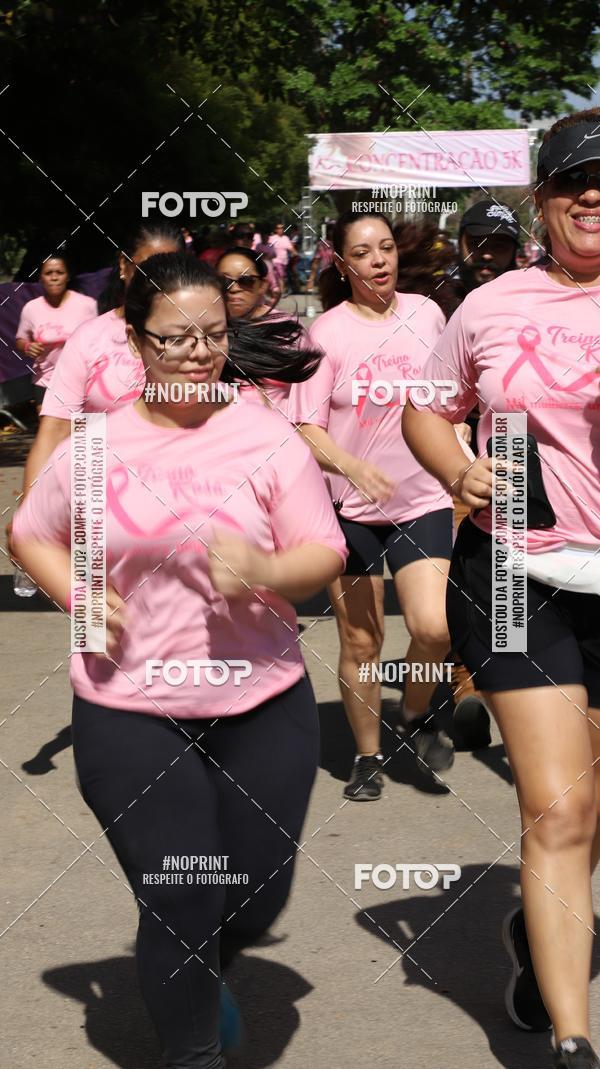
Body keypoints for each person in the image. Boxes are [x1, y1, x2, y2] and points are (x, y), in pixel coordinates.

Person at [12, 252, 347, 1069]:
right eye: (175, 339)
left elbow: (326, 551)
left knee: (257, 899)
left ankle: (193, 959)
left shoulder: (267, 439)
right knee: (183, 891)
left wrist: (266, 571)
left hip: (261, 695)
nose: (197, 354)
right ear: (134, 344)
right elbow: (29, 532)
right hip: (130, 704)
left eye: (212, 336)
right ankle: (193, 1042)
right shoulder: (98, 444)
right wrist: (77, 597)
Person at [402, 107, 600, 1069]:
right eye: (574, 182)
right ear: (544, 198)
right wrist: (456, 468)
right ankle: (572, 1042)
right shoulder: (490, 305)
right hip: (517, 570)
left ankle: (536, 935)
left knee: (593, 808)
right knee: (559, 809)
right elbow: (429, 411)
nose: (593, 197)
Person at [289, 209, 471, 801]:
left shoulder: (426, 313)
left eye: (386, 248)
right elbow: (306, 427)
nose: (379, 261)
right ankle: (368, 755)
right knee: (362, 643)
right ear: (342, 265)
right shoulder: (326, 334)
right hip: (347, 511)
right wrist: (354, 466)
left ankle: (414, 714)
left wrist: (461, 435)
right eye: (363, 252)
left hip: (421, 500)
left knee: (435, 628)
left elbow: (451, 392)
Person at [19, 222, 184, 500]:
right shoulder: (89, 338)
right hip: (97, 504)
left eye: (169, 270)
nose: (157, 281)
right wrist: (29, 514)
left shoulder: (203, 338)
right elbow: (56, 428)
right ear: (124, 265)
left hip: (182, 503)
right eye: (146, 269)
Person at [15, 255, 97, 409]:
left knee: (87, 432)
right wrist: (27, 347)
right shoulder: (31, 308)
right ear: (41, 278)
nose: (54, 278)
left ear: (68, 276)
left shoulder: (87, 305)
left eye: (59, 272)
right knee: (49, 432)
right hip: (46, 382)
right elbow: (20, 340)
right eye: (48, 273)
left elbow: (101, 341)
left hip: (84, 382)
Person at [267, 222, 296, 296]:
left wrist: (295, 253)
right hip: (275, 260)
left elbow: (290, 248)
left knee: (280, 276)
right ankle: (281, 291)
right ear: (276, 230)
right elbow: (268, 248)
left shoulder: (285, 238)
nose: (280, 230)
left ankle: (279, 291)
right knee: (280, 275)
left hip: (284, 261)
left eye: (282, 228)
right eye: (278, 228)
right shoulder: (272, 238)